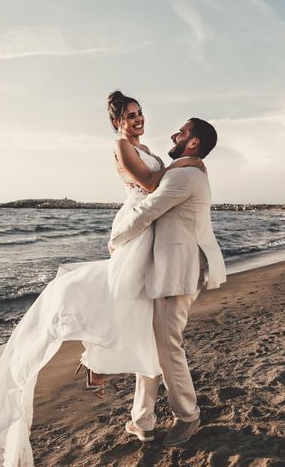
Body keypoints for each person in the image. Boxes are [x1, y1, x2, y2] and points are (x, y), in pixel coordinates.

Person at [0, 91, 214, 467]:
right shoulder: (122, 148)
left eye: (140, 113)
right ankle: (98, 361)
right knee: (116, 302)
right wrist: (187, 164)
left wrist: (186, 164)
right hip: (137, 232)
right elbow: (152, 186)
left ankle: (132, 405)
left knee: (141, 324)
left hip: (156, 244)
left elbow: (162, 183)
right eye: (131, 115)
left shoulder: (154, 151)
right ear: (117, 121)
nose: (138, 120)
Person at [109, 117, 226, 446]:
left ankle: (187, 416)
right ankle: (142, 419)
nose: (174, 135)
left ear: (193, 143)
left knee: (168, 349)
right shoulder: (191, 173)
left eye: (182, 132)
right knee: (151, 344)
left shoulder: (184, 176)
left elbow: (147, 210)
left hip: (178, 272)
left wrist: (115, 240)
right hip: (166, 270)